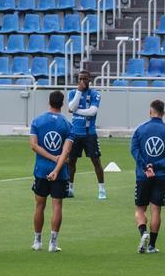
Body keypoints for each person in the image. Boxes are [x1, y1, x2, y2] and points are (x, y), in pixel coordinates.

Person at [130, 99, 165, 254]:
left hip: (143, 176)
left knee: (140, 209)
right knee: (156, 210)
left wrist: (146, 165)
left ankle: (143, 231)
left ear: (150, 111)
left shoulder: (140, 129)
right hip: (161, 176)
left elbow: (134, 150)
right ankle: (152, 245)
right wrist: (157, 165)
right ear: (163, 113)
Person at [29, 90, 75, 252]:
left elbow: (34, 146)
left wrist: (51, 158)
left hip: (41, 171)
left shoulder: (37, 121)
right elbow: (66, 151)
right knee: (57, 206)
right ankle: (53, 244)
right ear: (62, 104)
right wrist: (57, 165)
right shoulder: (68, 125)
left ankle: (37, 241)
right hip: (60, 173)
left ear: (49, 102)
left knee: (39, 205)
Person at [67, 70, 107, 200]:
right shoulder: (73, 93)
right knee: (71, 162)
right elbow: (71, 106)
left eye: (85, 79)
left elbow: (92, 111)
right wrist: (79, 92)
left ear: (90, 79)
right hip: (75, 133)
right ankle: (70, 188)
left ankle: (102, 189)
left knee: (96, 161)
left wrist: (76, 111)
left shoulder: (95, 94)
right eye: (80, 79)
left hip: (90, 133)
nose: (82, 81)